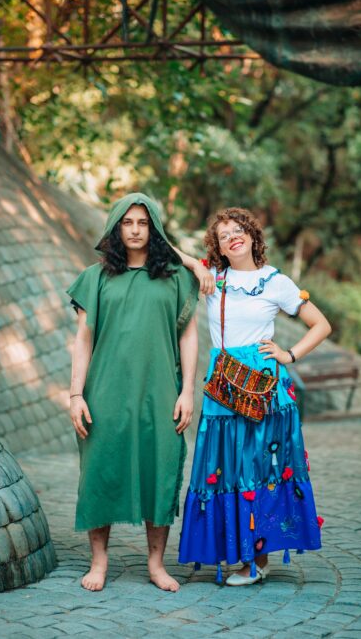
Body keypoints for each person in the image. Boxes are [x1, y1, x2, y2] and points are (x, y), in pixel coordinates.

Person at [178, 207, 332, 586]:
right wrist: (196, 265)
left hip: (265, 389)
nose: (232, 237)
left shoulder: (276, 282)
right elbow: (167, 252)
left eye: (238, 230)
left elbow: (321, 324)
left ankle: (255, 560)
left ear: (252, 236)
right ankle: (241, 553)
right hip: (224, 386)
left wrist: (289, 354)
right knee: (227, 468)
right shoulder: (213, 278)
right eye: (223, 235)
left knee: (259, 469)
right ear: (218, 248)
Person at [67, 193, 202, 592]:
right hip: (104, 392)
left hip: (161, 393)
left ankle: (156, 564)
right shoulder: (94, 278)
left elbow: (188, 336)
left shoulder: (176, 278)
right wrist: (76, 394)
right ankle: (99, 561)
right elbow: (83, 340)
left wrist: (187, 391)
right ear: (116, 227)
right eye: (127, 222)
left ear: (154, 228)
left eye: (143, 222)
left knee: (160, 469)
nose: (136, 230)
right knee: (100, 469)